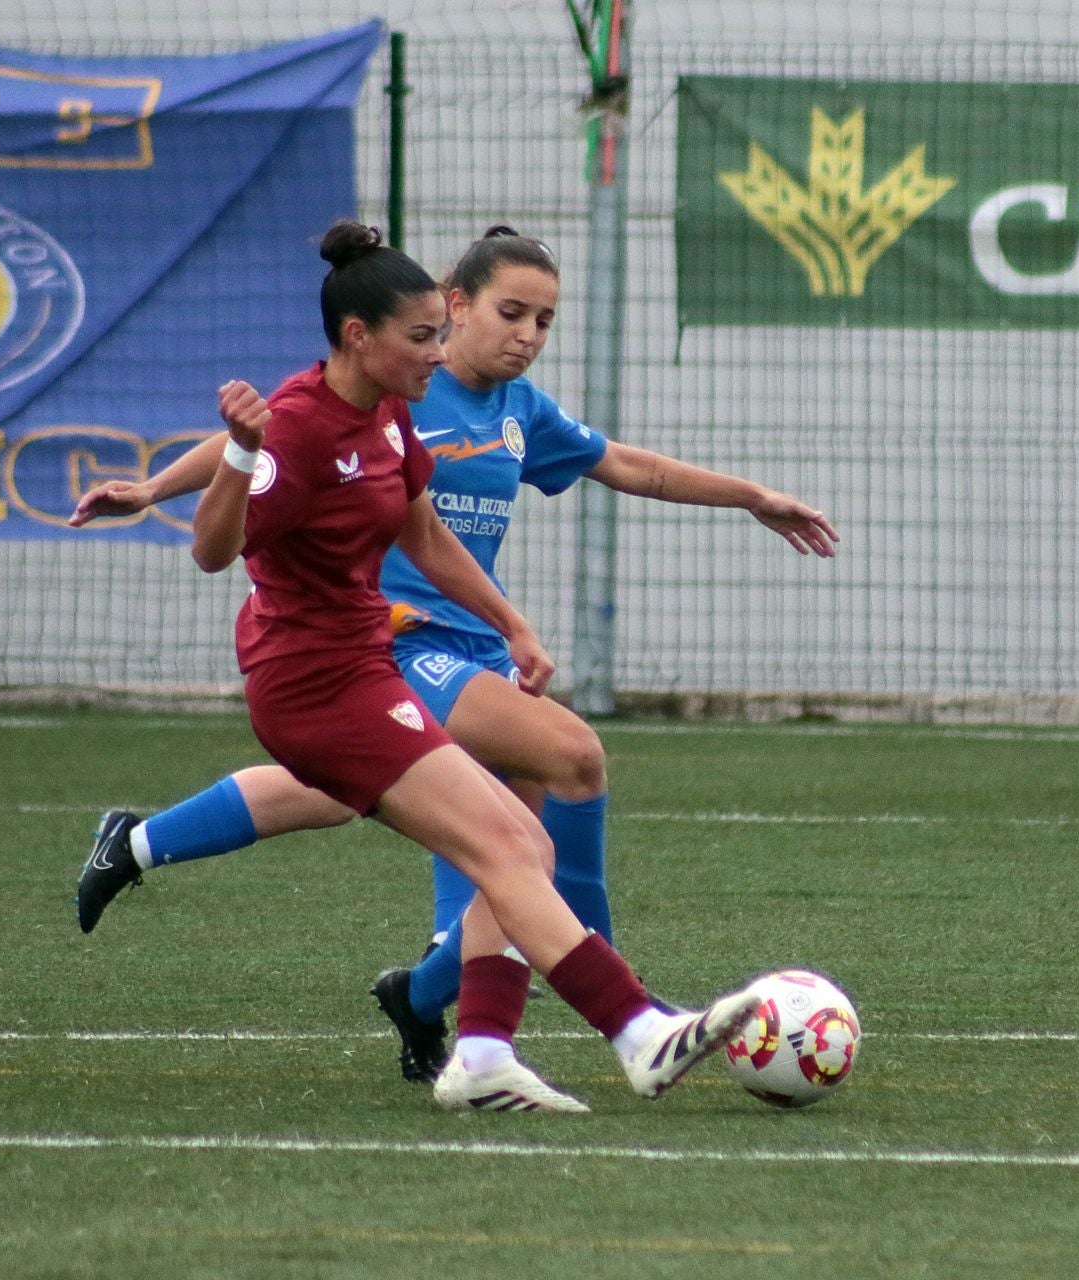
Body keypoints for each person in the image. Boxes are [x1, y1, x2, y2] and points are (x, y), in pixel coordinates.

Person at [69, 225, 836, 1085]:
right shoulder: (370, 391)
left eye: (546, 320)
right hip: (387, 651)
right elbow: (253, 458)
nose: (528, 335)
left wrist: (746, 499)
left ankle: (447, 1013)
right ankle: (624, 1009)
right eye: (510, 312)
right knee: (561, 767)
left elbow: (612, 472)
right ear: (454, 305)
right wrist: (156, 486)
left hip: (438, 654)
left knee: (398, 814)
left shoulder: (479, 412)